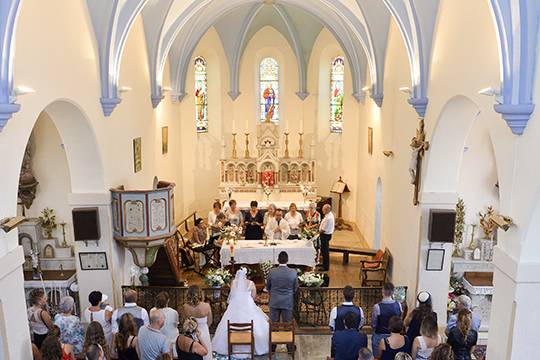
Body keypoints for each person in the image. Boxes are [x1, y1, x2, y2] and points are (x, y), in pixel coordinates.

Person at [212, 268, 270, 357]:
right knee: (258, 325)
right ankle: (254, 347)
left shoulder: (233, 283)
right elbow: (254, 296)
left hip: (234, 305)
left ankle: (231, 345)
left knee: (227, 322)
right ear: (247, 274)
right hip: (248, 305)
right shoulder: (251, 283)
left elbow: (232, 294)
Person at [267, 251, 298, 352]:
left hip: (274, 301)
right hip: (287, 301)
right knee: (287, 324)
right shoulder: (293, 272)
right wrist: (288, 294)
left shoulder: (272, 271)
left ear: (278, 260)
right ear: (287, 260)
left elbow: (268, 287)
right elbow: (295, 288)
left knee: (274, 324)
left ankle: (272, 346)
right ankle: (289, 347)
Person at [371, 283, 402, 357]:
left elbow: (373, 324)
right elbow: (400, 318)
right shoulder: (398, 304)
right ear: (393, 292)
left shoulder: (377, 307)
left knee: (377, 357)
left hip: (380, 334)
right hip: (395, 335)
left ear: (382, 291)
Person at [181, 286, 212, 360]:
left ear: (188, 294)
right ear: (200, 294)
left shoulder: (185, 307)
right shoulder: (206, 306)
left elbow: (184, 321)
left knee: (192, 353)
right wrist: (203, 328)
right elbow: (210, 321)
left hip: (190, 333)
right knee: (205, 352)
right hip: (204, 331)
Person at [150, 292, 179, 359]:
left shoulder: (152, 311)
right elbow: (176, 326)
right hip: (171, 342)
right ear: (168, 300)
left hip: (158, 342)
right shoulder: (174, 312)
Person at [318, 204, 335, 271]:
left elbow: (323, 230)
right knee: (324, 251)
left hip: (325, 235)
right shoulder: (329, 215)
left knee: (325, 252)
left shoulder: (328, 218)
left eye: (323, 209)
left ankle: (325, 267)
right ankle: (324, 264)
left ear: (327, 210)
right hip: (326, 235)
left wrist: (316, 234)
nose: (322, 211)